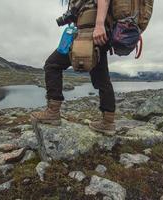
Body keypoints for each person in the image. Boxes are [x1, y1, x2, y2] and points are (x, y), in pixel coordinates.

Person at [31, 0, 116, 136]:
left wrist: (99, 25)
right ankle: (108, 122)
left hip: (90, 34)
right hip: (92, 35)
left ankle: (53, 112)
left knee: (52, 65)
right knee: (102, 78)